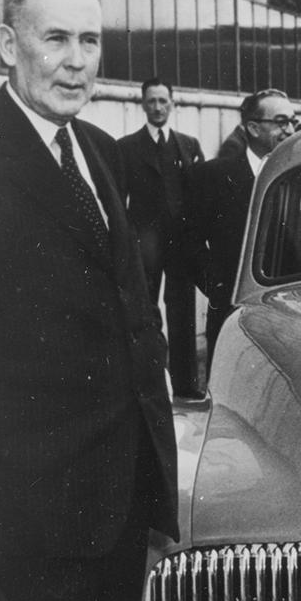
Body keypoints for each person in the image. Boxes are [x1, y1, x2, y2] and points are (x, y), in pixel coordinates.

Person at [0, 0, 179, 601]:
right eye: (57, 39)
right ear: (10, 46)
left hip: (116, 509)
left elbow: (132, 322)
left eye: (91, 39)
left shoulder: (99, 151)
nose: (78, 59)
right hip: (24, 521)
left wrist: (158, 480)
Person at [186, 89, 297, 376]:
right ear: (253, 127)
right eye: (281, 121)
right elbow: (188, 242)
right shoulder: (213, 176)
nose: (291, 130)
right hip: (233, 314)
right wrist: (219, 290)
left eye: (293, 121)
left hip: (294, 315)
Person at [119, 77, 206, 400]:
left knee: (182, 312)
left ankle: (186, 384)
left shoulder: (188, 145)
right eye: (151, 101)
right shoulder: (126, 148)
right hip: (145, 245)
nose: (157, 107)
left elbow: (198, 197)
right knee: (144, 312)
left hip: (180, 245)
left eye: (163, 101)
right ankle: (148, 381)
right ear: (142, 104)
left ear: (173, 103)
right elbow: (119, 199)